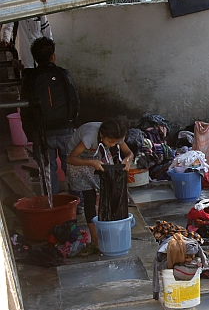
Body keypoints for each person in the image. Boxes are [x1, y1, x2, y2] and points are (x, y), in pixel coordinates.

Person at [20, 37, 79, 198]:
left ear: (34, 58)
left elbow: (25, 108)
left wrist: (30, 133)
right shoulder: (63, 74)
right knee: (72, 165)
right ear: (53, 55)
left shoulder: (29, 79)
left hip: (42, 132)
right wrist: (72, 122)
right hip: (66, 129)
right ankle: (78, 202)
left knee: (47, 168)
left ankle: (51, 202)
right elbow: (75, 100)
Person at [66, 120, 133, 248]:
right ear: (101, 135)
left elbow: (129, 153)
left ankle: (111, 228)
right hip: (79, 160)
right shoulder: (89, 137)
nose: (113, 144)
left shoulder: (115, 135)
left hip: (97, 157)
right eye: (110, 142)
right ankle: (95, 238)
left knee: (110, 190)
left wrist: (127, 159)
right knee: (89, 197)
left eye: (115, 142)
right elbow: (70, 158)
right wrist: (91, 163)